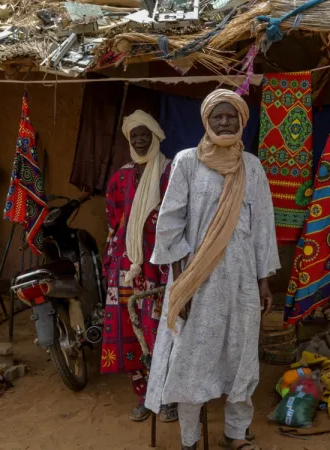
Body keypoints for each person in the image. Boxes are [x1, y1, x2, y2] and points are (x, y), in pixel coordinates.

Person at [145, 89, 280, 450]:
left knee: (242, 361)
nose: (224, 122)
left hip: (241, 284)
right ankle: (190, 440)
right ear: (206, 120)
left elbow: (263, 226)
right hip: (197, 282)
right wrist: (180, 286)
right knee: (192, 362)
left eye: (231, 116)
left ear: (241, 121)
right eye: (218, 116)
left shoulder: (252, 166)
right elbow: (171, 223)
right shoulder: (187, 162)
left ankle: (235, 434)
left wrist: (264, 281)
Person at [101, 110, 177, 423]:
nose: (141, 139)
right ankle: (145, 396)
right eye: (135, 135)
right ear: (129, 139)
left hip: (160, 266)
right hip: (126, 268)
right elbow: (112, 220)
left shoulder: (171, 171)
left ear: (157, 136)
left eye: (146, 133)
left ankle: (168, 397)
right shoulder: (120, 177)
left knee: (162, 331)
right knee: (131, 331)